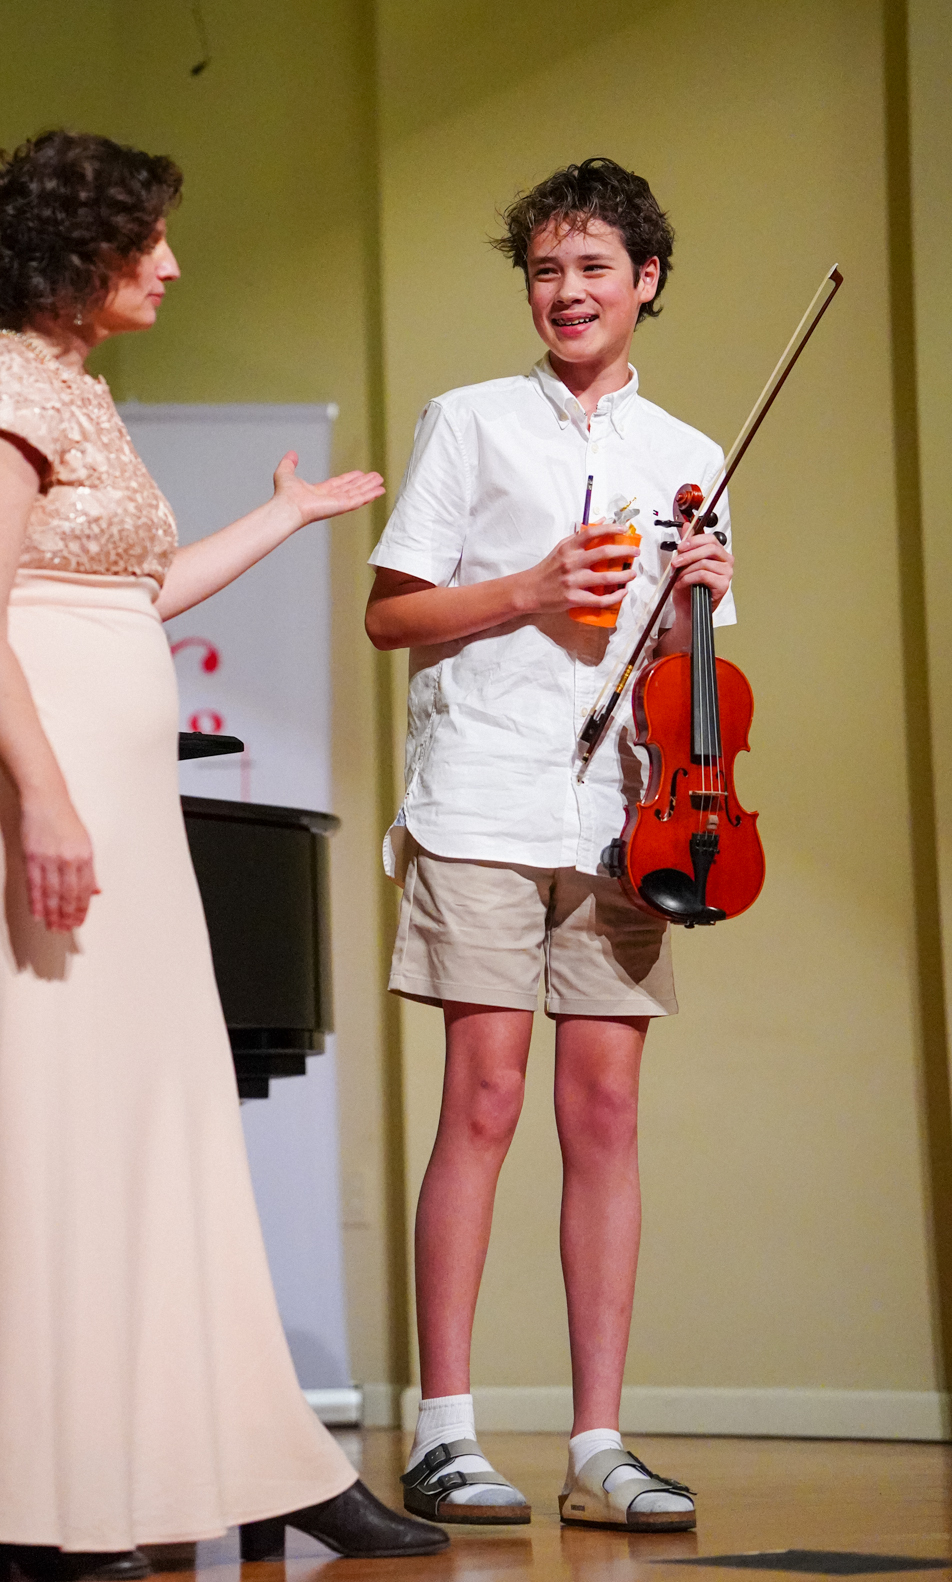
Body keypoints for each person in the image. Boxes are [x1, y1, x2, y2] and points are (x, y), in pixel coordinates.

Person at [0, 130, 449, 1582]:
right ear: (80, 251)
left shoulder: (79, 393)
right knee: (46, 1118)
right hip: (19, 775)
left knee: (144, 1125)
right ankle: (25, 1502)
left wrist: (285, 517)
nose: (174, 266)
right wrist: (43, 795)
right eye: (149, 244)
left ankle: (212, 1463)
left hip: (103, 785)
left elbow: (128, 595)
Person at [365, 158, 735, 1534]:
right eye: (544, 270)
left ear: (646, 280)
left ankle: (596, 1446)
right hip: (479, 794)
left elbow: (691, 677)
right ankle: (446, 1433)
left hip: (629, 817)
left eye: (592, 269)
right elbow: (390, 615)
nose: (566, 292)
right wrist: (526, 589)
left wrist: (699, 598)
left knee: (605, 1113)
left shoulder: (692, 456)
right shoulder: (467, 422)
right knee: (483, 1095)